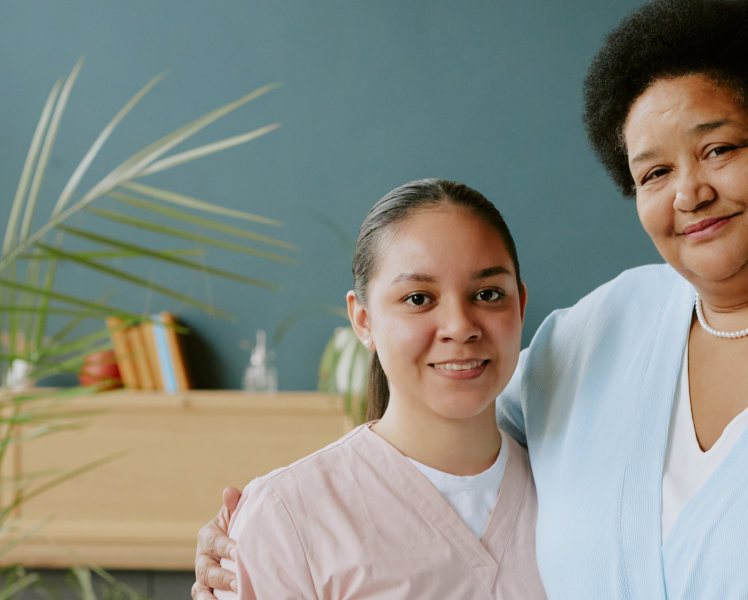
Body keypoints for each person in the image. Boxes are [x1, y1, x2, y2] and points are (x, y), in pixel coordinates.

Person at [198, 1, 748, 598]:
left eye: (719, 148)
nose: (688, 191)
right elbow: (438, 448)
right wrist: (270, 533)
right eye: (653, 172)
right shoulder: (600, 330)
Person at [216, 179, 546, 599]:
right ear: (363, 320)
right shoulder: (287, 517)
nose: (460, 326)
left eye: (487, 294)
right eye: (418, 299)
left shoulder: (571, 488)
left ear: (520, 305)